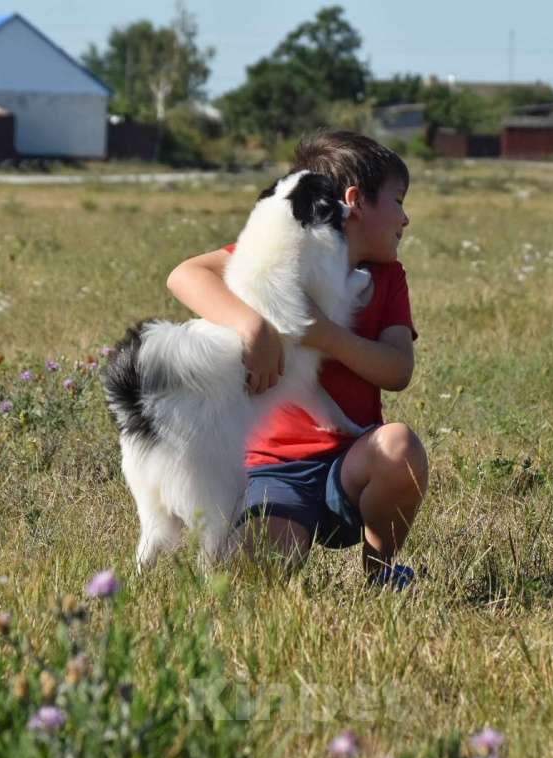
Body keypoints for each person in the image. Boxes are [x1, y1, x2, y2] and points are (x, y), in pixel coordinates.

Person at [166, 130, 428, 588]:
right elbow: (185, 275)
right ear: (355, 201)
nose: (406, 217)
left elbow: (398, 370)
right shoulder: (281, 258)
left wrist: (326, 335)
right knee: (253, 577)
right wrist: (254, 327)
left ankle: (381, 571)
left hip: (352, 462)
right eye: (398, 200)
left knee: (400, 448)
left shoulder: (388, 278)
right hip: (272, 469)